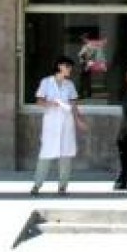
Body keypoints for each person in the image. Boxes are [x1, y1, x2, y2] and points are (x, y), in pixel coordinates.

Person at [30, 56, 87, 196]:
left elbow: (73, 105)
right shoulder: (46, 82)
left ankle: (62, 186)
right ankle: (37, 185)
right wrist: (51, 103)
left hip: (67, 124)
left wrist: (79, 120)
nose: (70, 70)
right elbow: (39, 101)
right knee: (45, 154)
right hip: (51, 124)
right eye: (68, 67)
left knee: (65, 156)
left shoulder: (70, 85)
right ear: (60, 66)